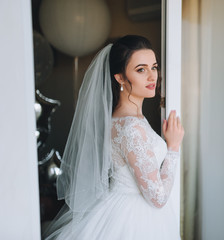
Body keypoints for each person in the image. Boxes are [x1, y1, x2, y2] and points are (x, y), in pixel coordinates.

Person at [43, 35, 184, 239]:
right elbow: (158, 198)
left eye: (154, 67)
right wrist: (173, 148)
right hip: (135, 219)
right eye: (141, 69)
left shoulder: (120, 118)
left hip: (118, 208)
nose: (153, 76)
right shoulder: (131, 126)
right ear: (120, 77)